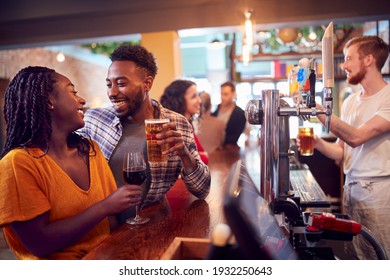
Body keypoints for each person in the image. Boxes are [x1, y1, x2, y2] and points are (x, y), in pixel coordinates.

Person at [0, 66, 141, 260]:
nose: (81, 100)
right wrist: (105, 206)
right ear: (49, 100)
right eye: (72, 92)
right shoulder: (17, 164)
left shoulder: (91, 150)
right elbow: (40, 244)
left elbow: (112, 222)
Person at [78, 45, 210, 222]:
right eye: (109, 84)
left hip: (150, 226)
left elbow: (202, 190)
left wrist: (185, 155)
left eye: (122, 83)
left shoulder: (177, 124)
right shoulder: (94, 120)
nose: (112, 92)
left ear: (147, 83)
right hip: (102, 229)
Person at [312, 36, 390, 259]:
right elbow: (342, 151)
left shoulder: (388, 97)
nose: (343, 65)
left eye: (348, 59)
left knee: (379, 255)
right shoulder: (351, 101)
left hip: (379, 193)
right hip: (351, 189)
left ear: (368, 60)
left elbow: (356, 138)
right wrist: (317, 143)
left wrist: (319, 110)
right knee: (354, 256)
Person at [160, 79, 209, 164]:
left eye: (198, 95)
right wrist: (203, 156)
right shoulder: (173, 128)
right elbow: (200, 159)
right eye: (193, 96)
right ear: (179, 100)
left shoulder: (187, 124)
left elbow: (200, 154)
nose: (200, 101)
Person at [212, 81, 247, 150]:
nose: (222, 97)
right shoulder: (215, 110)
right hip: (214, 150)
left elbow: (234, 138)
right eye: (221, 94)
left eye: (226, 94)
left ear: (233, 94)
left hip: (229, 153)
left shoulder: (240, 114)